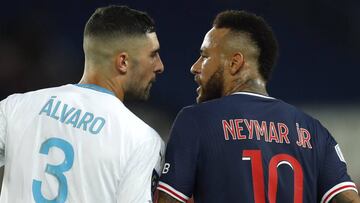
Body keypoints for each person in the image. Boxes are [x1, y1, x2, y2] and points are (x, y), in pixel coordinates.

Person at [157, 10, 359, 203]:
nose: (195, 67)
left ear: (235, 63)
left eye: (205, 56)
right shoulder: (315, 132)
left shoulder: (195, 121)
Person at [0, 5, 165, 203]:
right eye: (153, 55)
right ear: (123, 62)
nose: (160, 66)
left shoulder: (16, 107)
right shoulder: (142, 140)